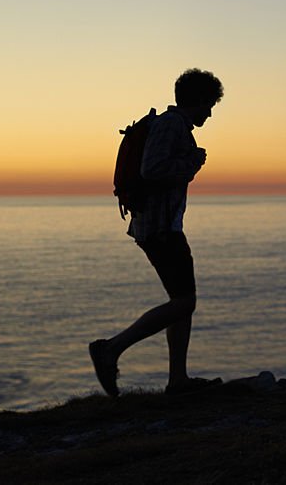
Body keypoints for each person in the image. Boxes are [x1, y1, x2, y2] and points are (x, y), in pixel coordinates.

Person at [90, 68, 224, 396]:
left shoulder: (171, 124)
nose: (209, 113)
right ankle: (112, 348)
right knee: (184, 302)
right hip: (160, 229)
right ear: (198, 100)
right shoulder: (171, 124)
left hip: (160, 226)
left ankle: (178, 380)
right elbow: (153, 169)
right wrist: (192, 162)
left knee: (180, 301)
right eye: (209, 106)